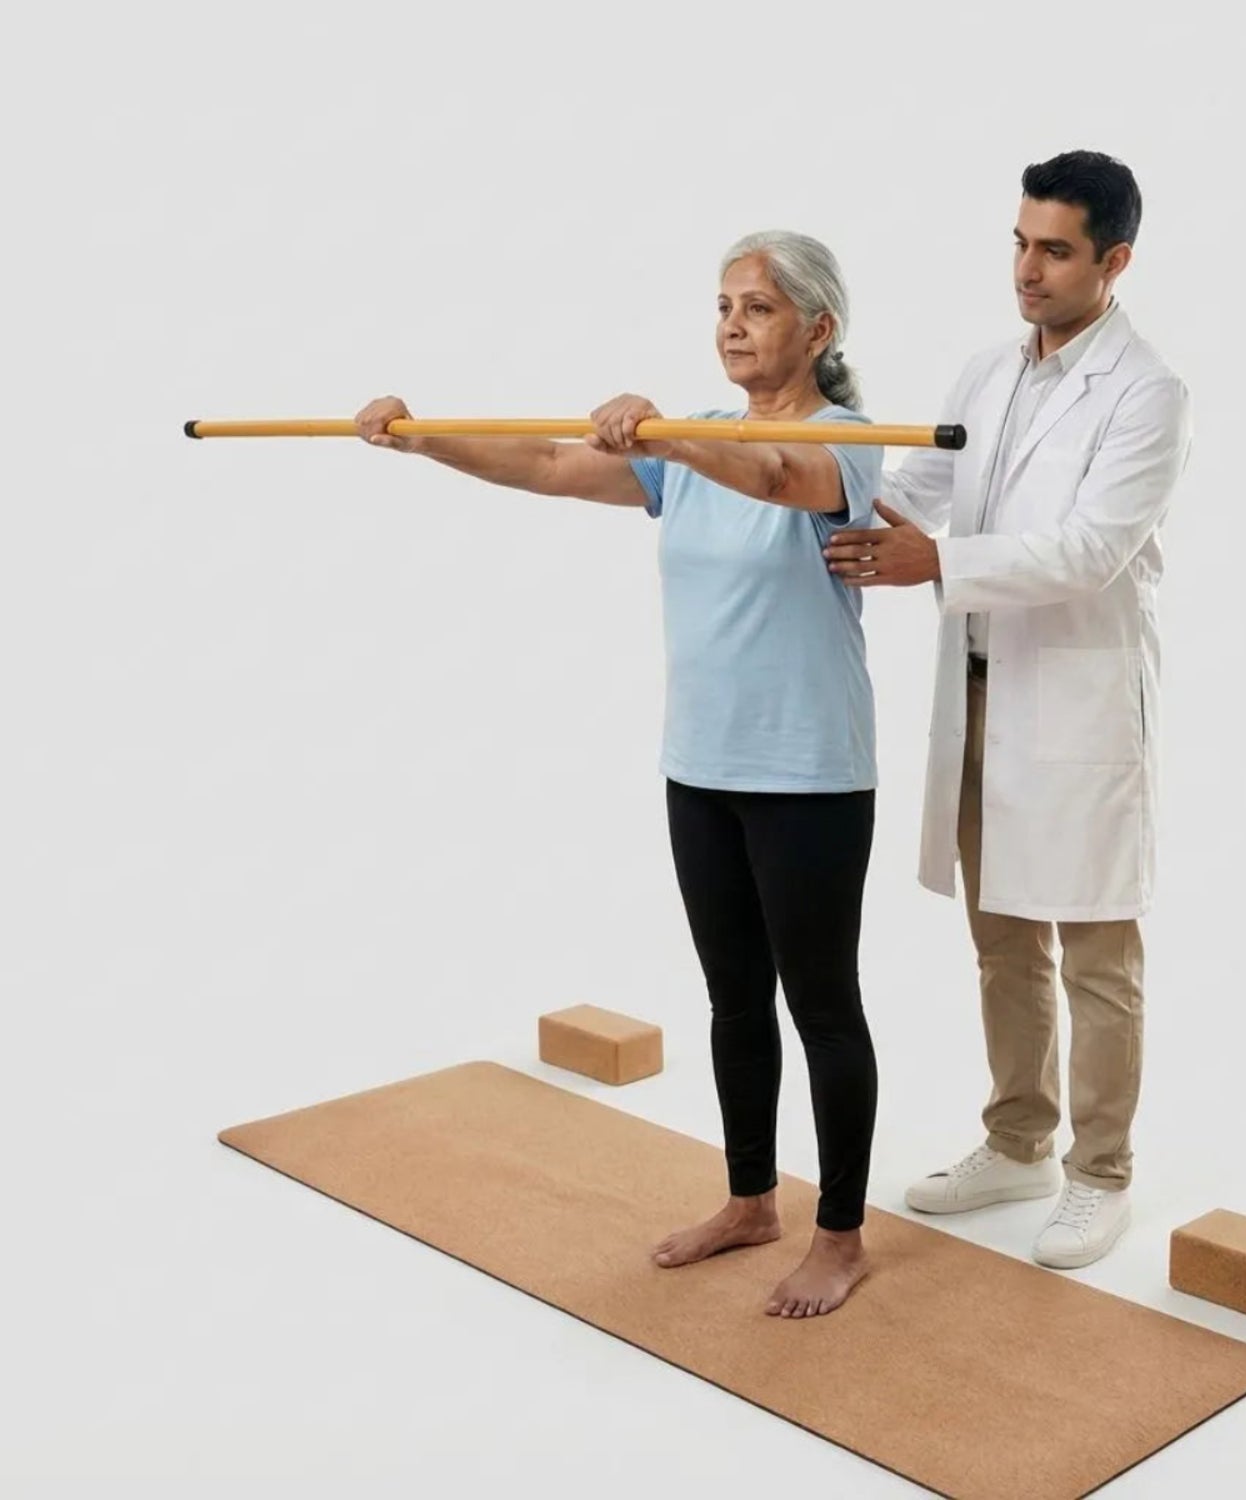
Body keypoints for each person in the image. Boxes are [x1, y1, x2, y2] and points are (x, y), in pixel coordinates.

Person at [355, 230, 883, 1317]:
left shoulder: (849, 438)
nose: (734, 324)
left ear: (818, 330)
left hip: (812, 774)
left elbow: (781, 475)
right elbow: (549, 463)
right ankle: (749, 1201)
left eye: (760, 308)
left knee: (820, 1008)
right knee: (733, 1000)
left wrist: (678, 442)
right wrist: (420, 438)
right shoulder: (687, 443)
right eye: (725, 305)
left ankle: (841, 1235)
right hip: (701, 765)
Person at [822, 151, 1192, 1269]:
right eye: (1020, 243)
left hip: (1075, 703)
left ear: (1113, 260)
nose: (1028, 269)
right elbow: (920, 492)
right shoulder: (988, 373)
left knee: (1094, 953)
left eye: (1056, 250)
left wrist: (933, 558)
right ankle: (1019, 1139)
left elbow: (1088, 549)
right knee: (1002, 940)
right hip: (978, 695)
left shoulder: (1148, 392)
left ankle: (1099, 1174)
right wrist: (813, 462)